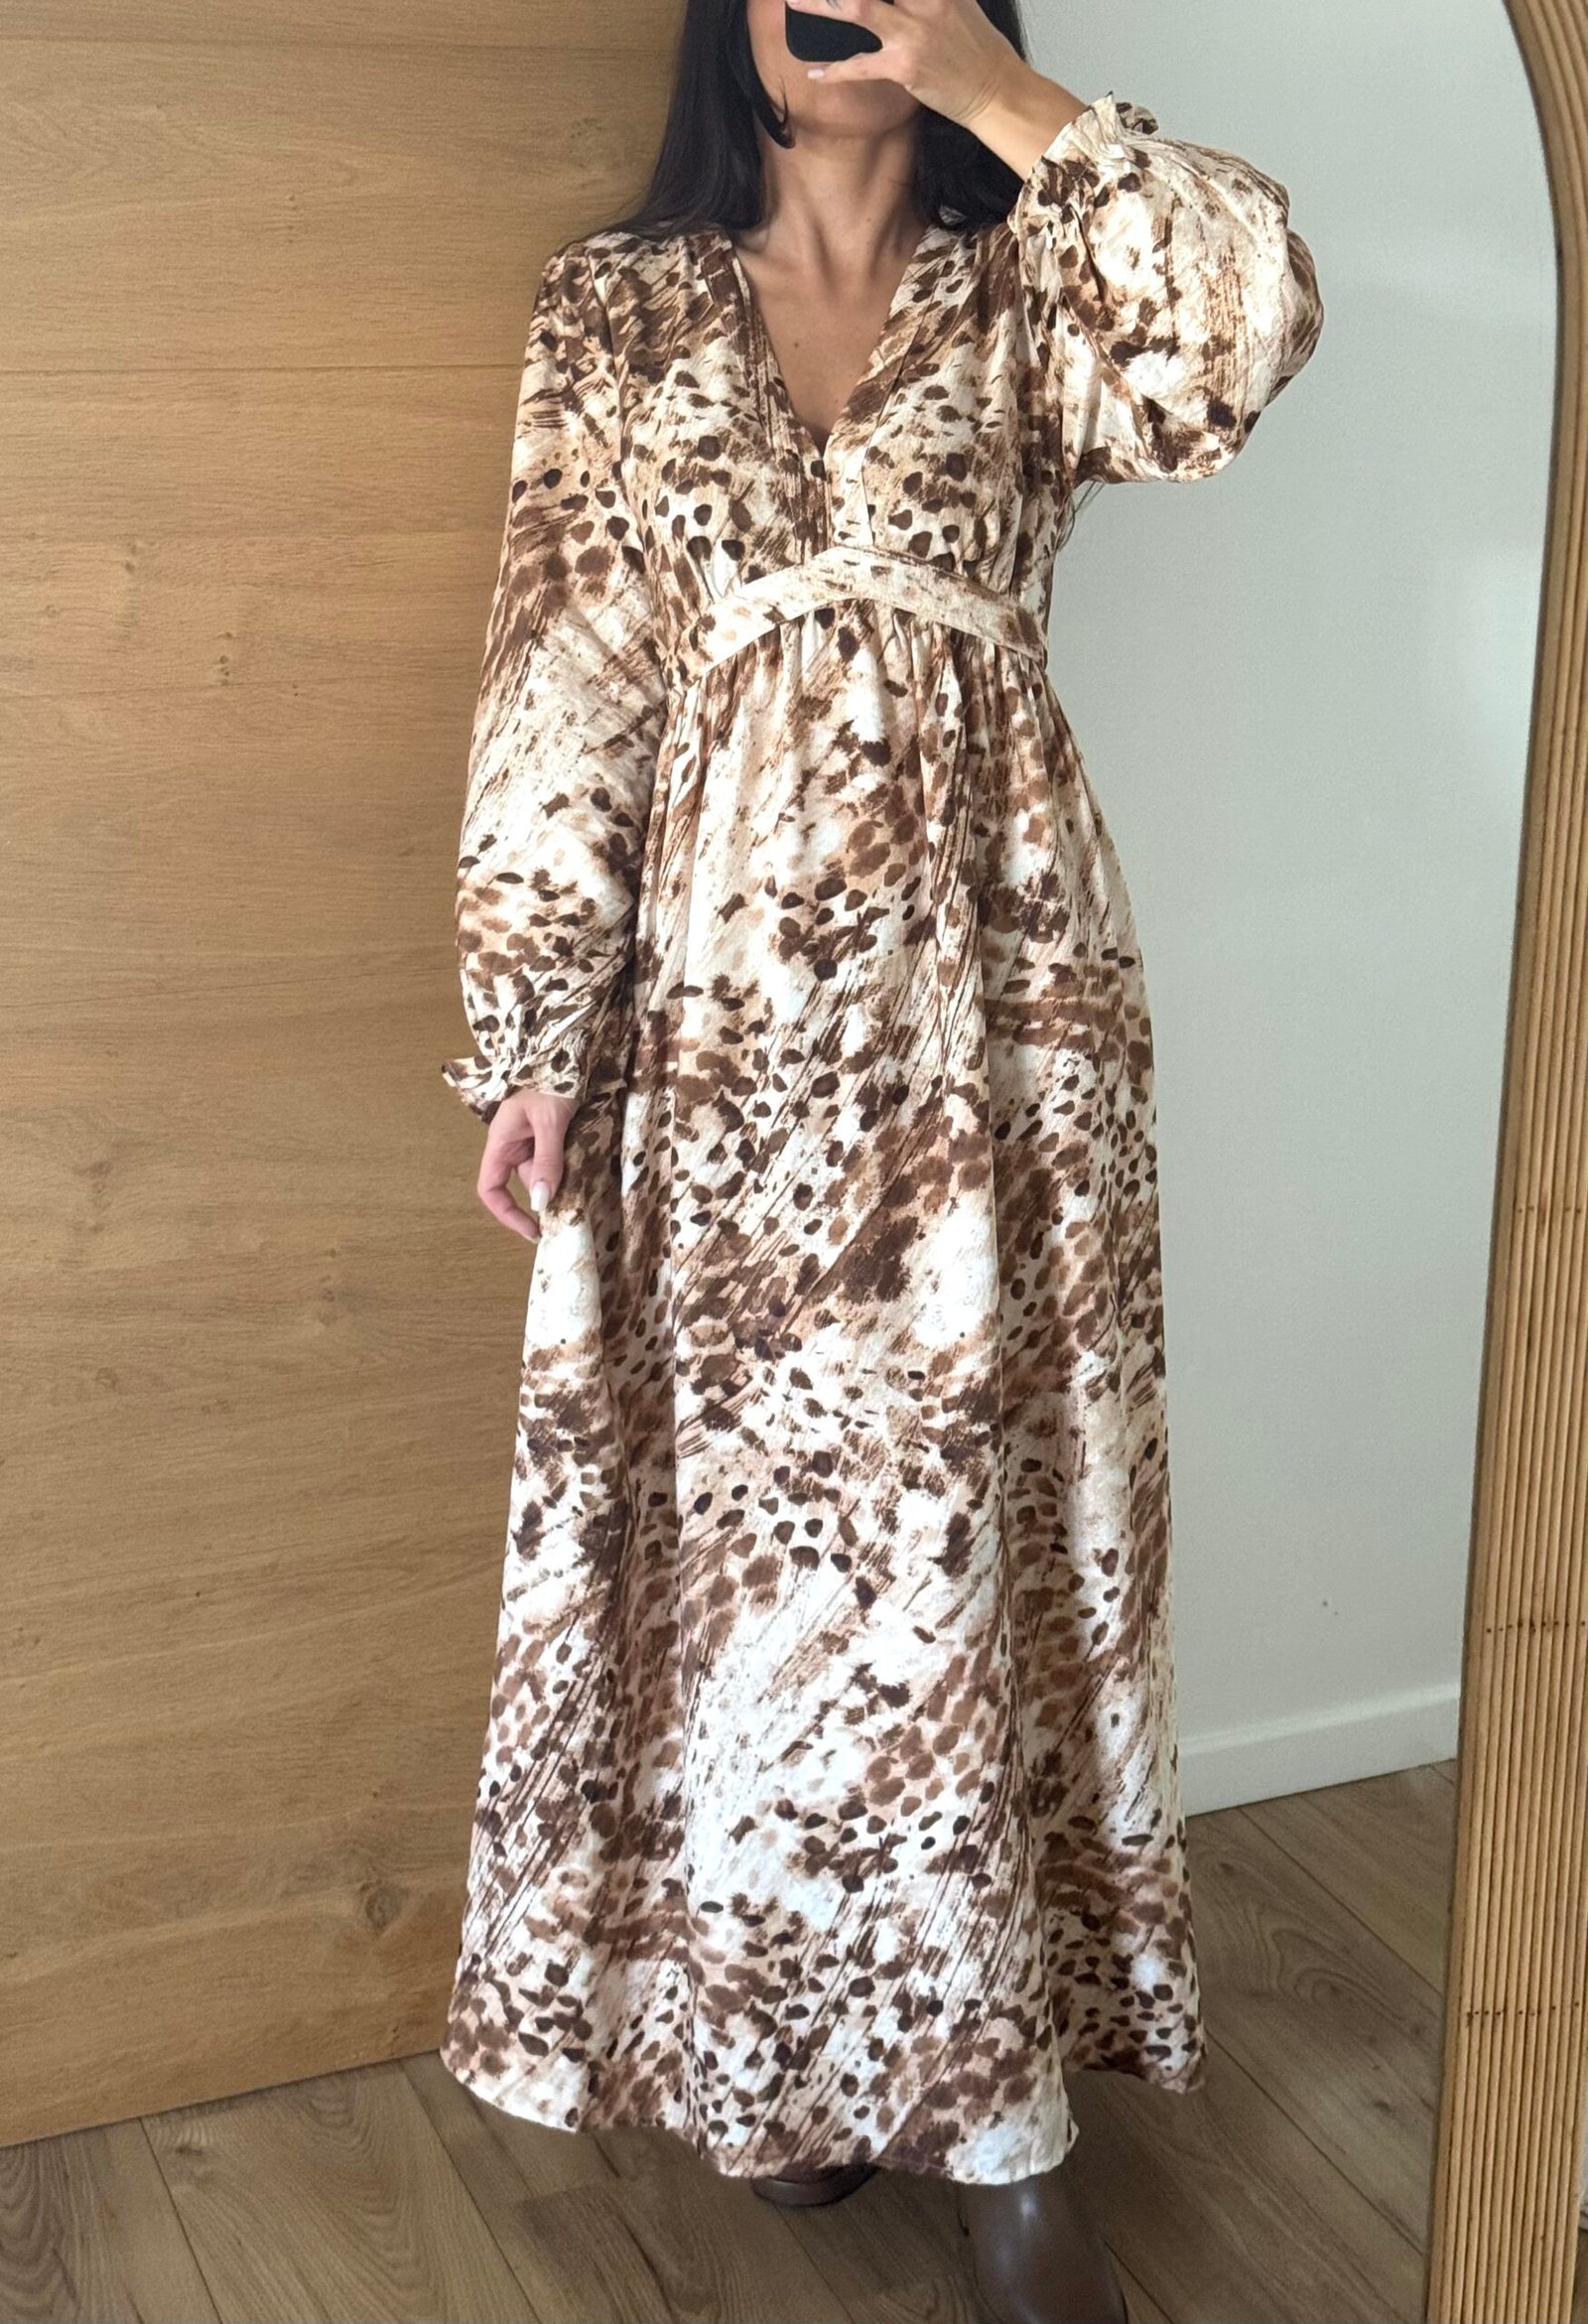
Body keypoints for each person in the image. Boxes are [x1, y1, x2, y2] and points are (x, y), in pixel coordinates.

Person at [438, 2, 1322, 2317]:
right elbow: (563, 669)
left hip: (998, 1009)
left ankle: (1009, 2107)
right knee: (771, 1557)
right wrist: (531, 1025)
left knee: (992, 1507)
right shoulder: (614, 307)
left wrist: (996, 104)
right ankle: (795, 2046)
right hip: (718, 1026)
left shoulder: (1036, 278)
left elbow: (1241, 333)